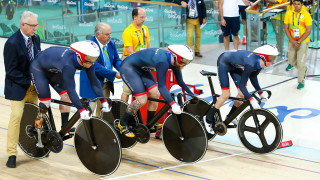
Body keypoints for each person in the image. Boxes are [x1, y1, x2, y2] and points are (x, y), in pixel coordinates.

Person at [30, 40, 111, 129]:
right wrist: (81, 110)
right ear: (79, 57)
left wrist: (103, 101)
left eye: (94, 59)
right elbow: (71, 90)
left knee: (66, 96)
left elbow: (94, 82)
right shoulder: (68, 66)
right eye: (90, 60)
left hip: (54, 69)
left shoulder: (88, 62)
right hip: (39, 70)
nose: (92, 63)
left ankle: (65, 126)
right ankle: (37, 127)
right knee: (45, 102)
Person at [118, 45, 194, 137]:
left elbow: (180, 81)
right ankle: (121, 124)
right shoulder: (163, 62)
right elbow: (162, 86)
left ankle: (151, 124)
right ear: (175, 56)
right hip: (128, 68)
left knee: (155, 93)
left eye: (187, 62)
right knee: (142, 99)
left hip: (142, 68)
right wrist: (173, 104)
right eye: (184, 61)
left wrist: (192, 95)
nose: (184, 64)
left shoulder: (174, 61)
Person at [204, 45, 279, 134]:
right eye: (271, 58)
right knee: (226, 95)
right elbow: (242, 86)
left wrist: (261, 93)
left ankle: (230, 116)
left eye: (274, 58)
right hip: (223, 62)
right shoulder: (251, 64)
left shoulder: (260, 63)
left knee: (242, 95)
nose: (273, 61)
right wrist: (251, 100)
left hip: (234, 65)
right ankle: (208, 118)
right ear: (263, 57)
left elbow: (253, 77)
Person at [4, 11, 41, 168]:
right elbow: (11, 71)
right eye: (32, 26)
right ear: (23, 25)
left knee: (37, 117)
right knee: (17, 117)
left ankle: (36, 145)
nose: (35, 29)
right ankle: (11, 154)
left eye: (36, 25)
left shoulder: (36, 38)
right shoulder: (12, 43)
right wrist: (28, 82)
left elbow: (37, 59)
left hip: (33, 86)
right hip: (18, 86)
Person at [80, 23, 122, 116]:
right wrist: (114, 74)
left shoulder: (111, 43)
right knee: (88, 112)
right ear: (98, 34)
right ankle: (83, 130)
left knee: (103, 112)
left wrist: (122, 70)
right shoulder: (89, 46)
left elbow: (116, 60)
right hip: (91, 83)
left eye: (110, 34)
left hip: (106, 83)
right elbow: (96, 66)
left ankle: (98, 130)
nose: (110, 37)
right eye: (107, 34)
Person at [121, 7, 152, 103]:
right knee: (127, 90)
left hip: (142, 60)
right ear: (134, 17)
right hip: (129, 61)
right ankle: (122, 111)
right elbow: (130, 52)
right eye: (141, 17)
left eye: (144, 17)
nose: (144, 20)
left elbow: (148, 45)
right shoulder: (128, 32)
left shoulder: (145, 29)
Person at [284, 0, 312, 89]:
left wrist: (298, 41)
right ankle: (304, 69)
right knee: (291, 61)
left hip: (303, 41)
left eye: (298, 4)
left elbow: (308, 31)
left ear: (302, 4)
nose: (296, 6)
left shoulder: (306, 15)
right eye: (294, 4)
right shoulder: (288, 14)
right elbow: (286, 28)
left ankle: (301, 81)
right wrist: (292, 40)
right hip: (292, 41)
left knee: (300, 62)